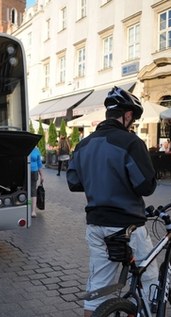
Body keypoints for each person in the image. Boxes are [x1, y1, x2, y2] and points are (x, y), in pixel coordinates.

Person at [66, 86, 158, 317]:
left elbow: (74, 182)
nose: (133, 122)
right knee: (149, 277)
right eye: (133, 118)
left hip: (96, 226)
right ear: (126, 115)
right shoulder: (131, 142)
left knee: (99, 288)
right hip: (127, 226)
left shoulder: (83, 144)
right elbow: (146, 186)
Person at [30, 146, 43, 218]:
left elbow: (39, 163)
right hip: (25, 172)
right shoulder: (25, 148)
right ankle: (27, 208)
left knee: (33, 190)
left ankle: (33, 211)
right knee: (25, 190)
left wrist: (42, 175)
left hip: (34, 172)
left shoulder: (37, 150)